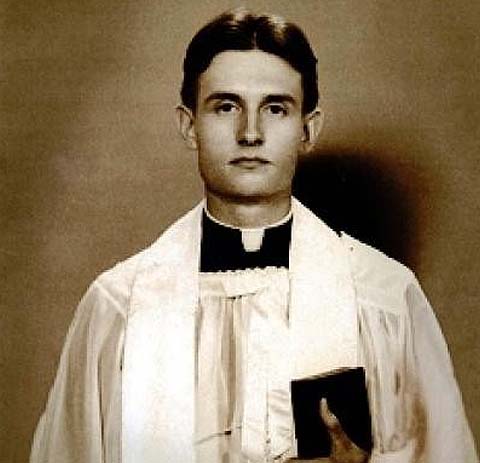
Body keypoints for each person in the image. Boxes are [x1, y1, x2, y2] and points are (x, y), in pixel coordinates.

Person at [30, 8, 477, 463]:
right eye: (226, 107)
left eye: (275, 109)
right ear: (189, 125)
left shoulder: (383, 298)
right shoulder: (117, 309)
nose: (250, 133)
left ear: (308, 128)